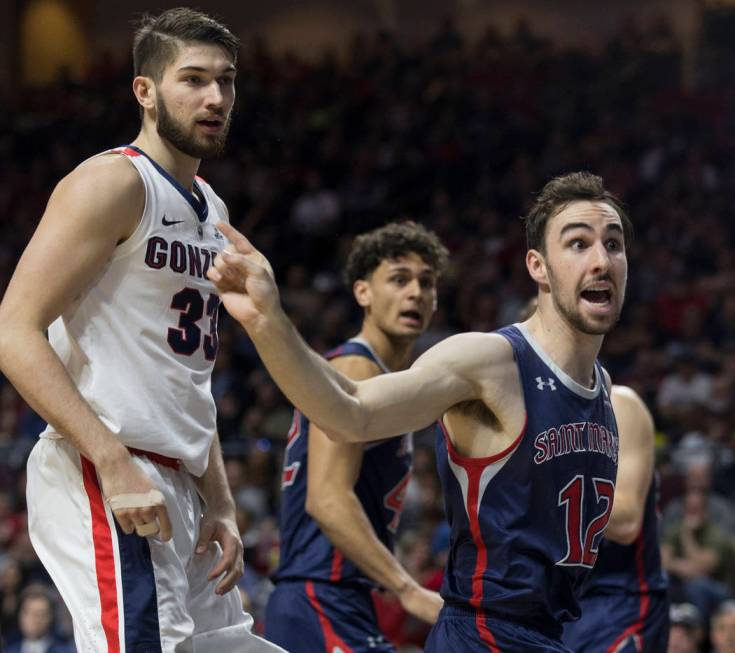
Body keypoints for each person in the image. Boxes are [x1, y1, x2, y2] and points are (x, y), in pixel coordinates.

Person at [208, 170, 630, 652]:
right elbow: (350, 416)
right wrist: (266, 320)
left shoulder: (602, 387)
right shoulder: (489, 361)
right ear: (537, 266)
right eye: (578, 244)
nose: (601, 260)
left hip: (543, 633)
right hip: (475, 631)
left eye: (613, 245)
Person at [0, 8, 284, 653]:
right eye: (193, 80)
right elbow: (12, 331)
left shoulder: (213, 209)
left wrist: (221, 500)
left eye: (227, 80)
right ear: (145, 91)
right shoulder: (112, 182)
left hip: (178, 478)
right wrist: (111, 460)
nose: (215, 98)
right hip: (111, 468)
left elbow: (187, 375)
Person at [264, 221, 447, 651]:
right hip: (320, 594)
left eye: (426, 282)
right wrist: (408, 589)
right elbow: (327, 499)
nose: (416, 293)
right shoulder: (355, 368)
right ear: (363, 292)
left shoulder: (389, 380)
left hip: (339, 597)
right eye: (399, 279)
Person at [563, 384, 670, 652]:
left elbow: (626, 523)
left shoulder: (618, 405)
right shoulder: (530, 410)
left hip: (619, 600)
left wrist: (541, 490)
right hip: (554, 602)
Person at [4, 586, 73, 653]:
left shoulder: (64, 651)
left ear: (51, 618)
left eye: (41, 614)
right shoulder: (9, 650)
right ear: (20, 615)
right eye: (29, 612)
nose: (34, 619)